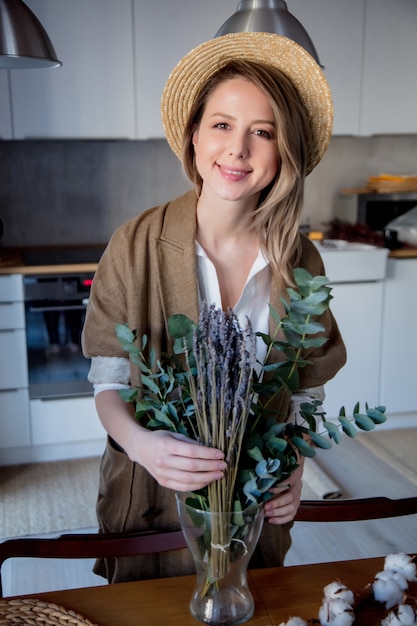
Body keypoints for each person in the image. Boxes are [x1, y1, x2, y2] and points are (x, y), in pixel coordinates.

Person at [81, 32, 346, 583]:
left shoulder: (300, 260)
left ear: (284, 151)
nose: (238, 149)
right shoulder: (133, 245)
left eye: (262, 132)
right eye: (222, 124)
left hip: (254, 504)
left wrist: (294, 466)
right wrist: (142, 445)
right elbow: (109, 381)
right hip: (150, 498)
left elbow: (305, 393)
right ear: (194, 136)